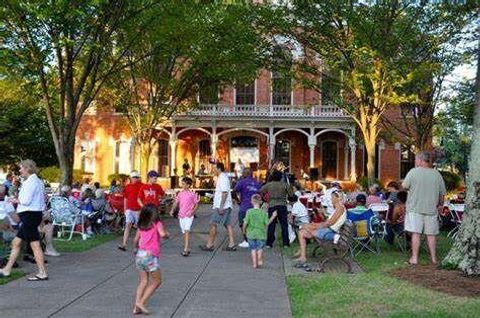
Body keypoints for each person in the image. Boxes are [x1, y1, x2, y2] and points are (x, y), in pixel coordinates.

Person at [0, 159, 48, 281]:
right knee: (16, 243)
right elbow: (40, 200)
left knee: (35, 245)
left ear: (27, 168)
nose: (20, 170)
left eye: (21, 168)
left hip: (29, 216)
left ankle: (42, 272)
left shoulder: (31, 182)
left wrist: (13, 200)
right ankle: (7, 269)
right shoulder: (37, 181)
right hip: (32, 215)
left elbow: (26, 201)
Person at [402, 151, 446, 265]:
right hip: (431, 209)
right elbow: (442, 194)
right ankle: (434, 258)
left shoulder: (413, 172)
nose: (415, 162)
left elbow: (404, 187)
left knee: (416, 233)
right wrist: (441, 205)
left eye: (416, 159)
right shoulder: (437, 174)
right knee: (431, 235)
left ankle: (414, 258)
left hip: (415, 208)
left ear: (421, 160)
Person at [133, 204, 169, 315]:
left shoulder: (141, 225)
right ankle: (141, 302)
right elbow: (163, 234)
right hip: (150, 256)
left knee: (143, 281)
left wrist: (135, 249)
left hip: (140, 255)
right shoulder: (157, 223)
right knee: (157, 281)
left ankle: (136, 308)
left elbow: (135, 240)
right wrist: (167, 234)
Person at [294, 191, 346, 264]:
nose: (331, 199)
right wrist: (316, 223)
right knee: (301, 232)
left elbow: (330, 223)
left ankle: (301, 253)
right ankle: (303, 256)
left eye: (332, 197)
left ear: (337, 198)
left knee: (304, 228)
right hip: (328, 230)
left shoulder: (340, 208)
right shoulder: (337, 208)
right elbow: (328, 222)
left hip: (330, 232)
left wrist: (315, 226)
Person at [199, 162, 237, 251]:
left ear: (219, 169)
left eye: (214, 168)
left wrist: (221, 207)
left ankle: (209, 245)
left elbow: (224, 193)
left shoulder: (223, 178)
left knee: (213, 224)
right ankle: (232, 244)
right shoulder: (221, 177)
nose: (213, 170)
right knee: (228, 224)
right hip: (225, 205)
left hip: (222, 206)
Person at [260, 170, 294, 248]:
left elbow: (260, 191)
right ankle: (286, 243)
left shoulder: (268, 185)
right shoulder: (284, 185)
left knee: (271, 225)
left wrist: (265, 198)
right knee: (284, 225)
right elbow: (291, 195)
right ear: (281, 177)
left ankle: (269, 243)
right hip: (282, 205)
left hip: (272, 205)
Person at [243, 194, 278, 269]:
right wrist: (273, 216)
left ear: (251, 202)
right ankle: (259, 260)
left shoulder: (249, 211)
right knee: (259, 248)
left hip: (251, 234)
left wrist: (244, 230)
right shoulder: (263, 212)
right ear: (261, 202)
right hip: (261, 234)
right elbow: (267, 223)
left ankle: (254, 264)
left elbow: (245, 223)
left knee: (253, 249)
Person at [169, 177, 199, 256]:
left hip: (189, 215)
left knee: (186, 230)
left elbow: (196, 205)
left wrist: (192, 212)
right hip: (181, 215)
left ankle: (186, 248)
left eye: (183, 184)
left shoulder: (192, 194)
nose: (182, 185)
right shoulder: (180, 194)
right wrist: (172, 210)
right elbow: (176, 202)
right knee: (184, 231)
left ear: (188, 185)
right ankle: (187, 246)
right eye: (182, 183)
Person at [234, 168, 262, 248]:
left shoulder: (241, 182)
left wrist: (238, 201)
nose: (242, 174)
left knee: (242, 224)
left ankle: (247, 241)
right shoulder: (257, 183)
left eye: (243, 173)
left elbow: (234, 191)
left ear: (246, 174)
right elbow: (262, 193)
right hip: (255, 207)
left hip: (244, 207)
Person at [119, 171, 143, 251]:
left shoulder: (142, 186)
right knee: (128, 225)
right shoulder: (128, 187)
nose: (135, 179)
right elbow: (125, 198)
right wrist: (125, 209)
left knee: (138, 227)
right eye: (134, 177)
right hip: (129, 209)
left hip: (139, 210)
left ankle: (137, 246)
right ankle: (124, 244)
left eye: (137, 177)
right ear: (131, 178)